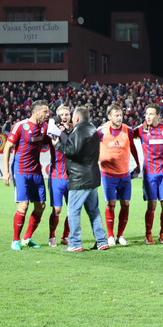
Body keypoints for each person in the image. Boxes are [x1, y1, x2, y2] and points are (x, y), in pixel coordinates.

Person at [52, 106, 109, 252]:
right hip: (92, 177)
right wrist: (67, 132)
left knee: (73, 211)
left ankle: (75, 243)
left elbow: (72, 150)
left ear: (76, 118)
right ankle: (102, 241)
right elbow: (79, 143)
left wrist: (57, 144)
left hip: (79, 179)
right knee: (94, 211)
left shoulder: (79, 131)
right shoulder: (92, 129)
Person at [3, 100, 52, 250]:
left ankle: (27, 238)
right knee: (23, 205)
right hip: (21, 171)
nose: (48, 114)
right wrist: (5, 171)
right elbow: (7, 147)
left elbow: (50, 141)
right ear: (36, 112)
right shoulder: (20, 126)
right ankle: (15, 240)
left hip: (36, 171)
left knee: (41, 205)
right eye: (45, 112)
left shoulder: (44, 127)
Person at [98, 104, 140, 246]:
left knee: (125, 204)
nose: (119, 117)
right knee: (111, 204)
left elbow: (133, 147)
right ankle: (110, 236)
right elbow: (92, 147)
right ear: (109, 116)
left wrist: (138, 164)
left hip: (124, 174)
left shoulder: (128, 130)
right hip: (108, 174)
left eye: (120, 115)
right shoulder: (101, 131)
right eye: (116, 115)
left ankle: (120, 235)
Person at [133, 103, 163, 245]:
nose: (148, 117)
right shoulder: (140, 130)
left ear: (158, 115)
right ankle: (148, 235)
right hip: (149, 173)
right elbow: (126, 135)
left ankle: (162, 234)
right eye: (146, 114)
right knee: (152, 205)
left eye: (151, 114)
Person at [47, 105, 72, 247]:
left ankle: (66, 236)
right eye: (61, 114)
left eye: (67, 114)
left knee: (72, 209)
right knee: (57, 209)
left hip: (72, 176)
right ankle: (52, 236)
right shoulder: (52, 132)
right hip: (56, 175)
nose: (64, 116)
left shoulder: (74, 132)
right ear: (58, 116)